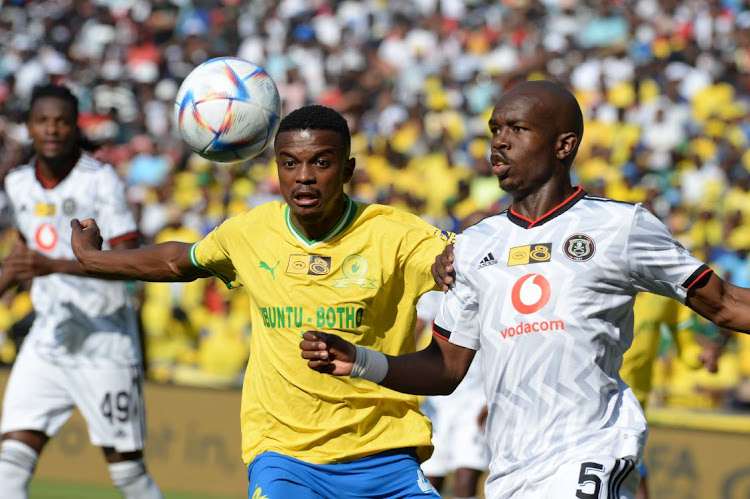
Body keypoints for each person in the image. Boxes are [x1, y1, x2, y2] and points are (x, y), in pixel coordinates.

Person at [298, 80, 750, 499]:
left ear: (563, 145)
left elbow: (727, 305)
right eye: (495, 128)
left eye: (518, 128)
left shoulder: (620, 227)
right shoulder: (474, 246)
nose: (500, 140)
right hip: (511, 473)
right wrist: (360, 361)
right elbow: (447, 368)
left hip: (590, 455)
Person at [69, 105, 453, 498]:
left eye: (321, 162)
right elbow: (177, 261)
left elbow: (462, 260)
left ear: (348, 170)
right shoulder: (251, 232)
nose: (303, 176)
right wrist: (94, 258)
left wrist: (450, 264)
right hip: (285, 459)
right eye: (290, 163)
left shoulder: (397, 234)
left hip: (384, 454)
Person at [0, 84, 162, 498]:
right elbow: (24, 253)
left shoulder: (100, 180)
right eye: (43, 121)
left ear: (75, 128)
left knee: (128, 474)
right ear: (29, 127)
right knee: (8, 466)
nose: (52, 129)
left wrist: (51, 265)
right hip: (48, 338)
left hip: (104, 341)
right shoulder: (18, 183)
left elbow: (130, 265)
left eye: (62, 121)